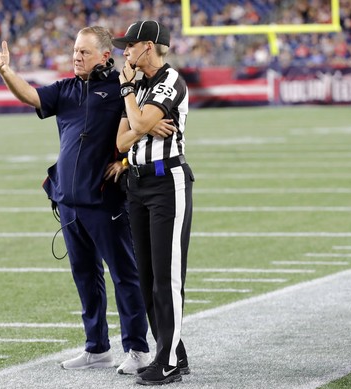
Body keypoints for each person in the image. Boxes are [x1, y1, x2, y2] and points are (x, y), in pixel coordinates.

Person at [0, 26, 151, 375]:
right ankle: (97, 347)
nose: (76, 56)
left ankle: (137, 347)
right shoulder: (65, 89)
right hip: (69, 201)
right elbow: (31, 96)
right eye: (75, 51)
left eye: (84, 52)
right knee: (84, 275)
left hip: (106, 201)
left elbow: (144, 127)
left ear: (105, 56)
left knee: (125, 275)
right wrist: (6, 71)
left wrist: (124, 161)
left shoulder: (122, 88)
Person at [112, 20, 194, 386]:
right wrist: (142, 122)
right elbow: (121, 140)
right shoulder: (140, 86)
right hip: (137, 183)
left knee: (166, 277)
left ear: (147, 46)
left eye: (128, 46)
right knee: (146, 278)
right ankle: (173, 352)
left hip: (166, 182)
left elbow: (141, 122)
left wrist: (135, 107)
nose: (123, 52)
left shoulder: (170, 80)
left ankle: (167, 360)